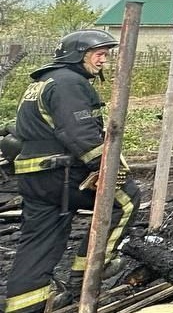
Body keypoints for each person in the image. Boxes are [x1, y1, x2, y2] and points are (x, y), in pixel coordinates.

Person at [5, 30, 140, 313]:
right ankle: (89, 271)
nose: (103, 60)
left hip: (33, 176)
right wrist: (110, 169)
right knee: (125, 199)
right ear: (77, 54)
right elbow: (81, 135)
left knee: (39, 241)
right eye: (98, 54)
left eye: (106, 54)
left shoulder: (43, 82)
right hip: (60, 173)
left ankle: (24, 307)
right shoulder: (70, 83)